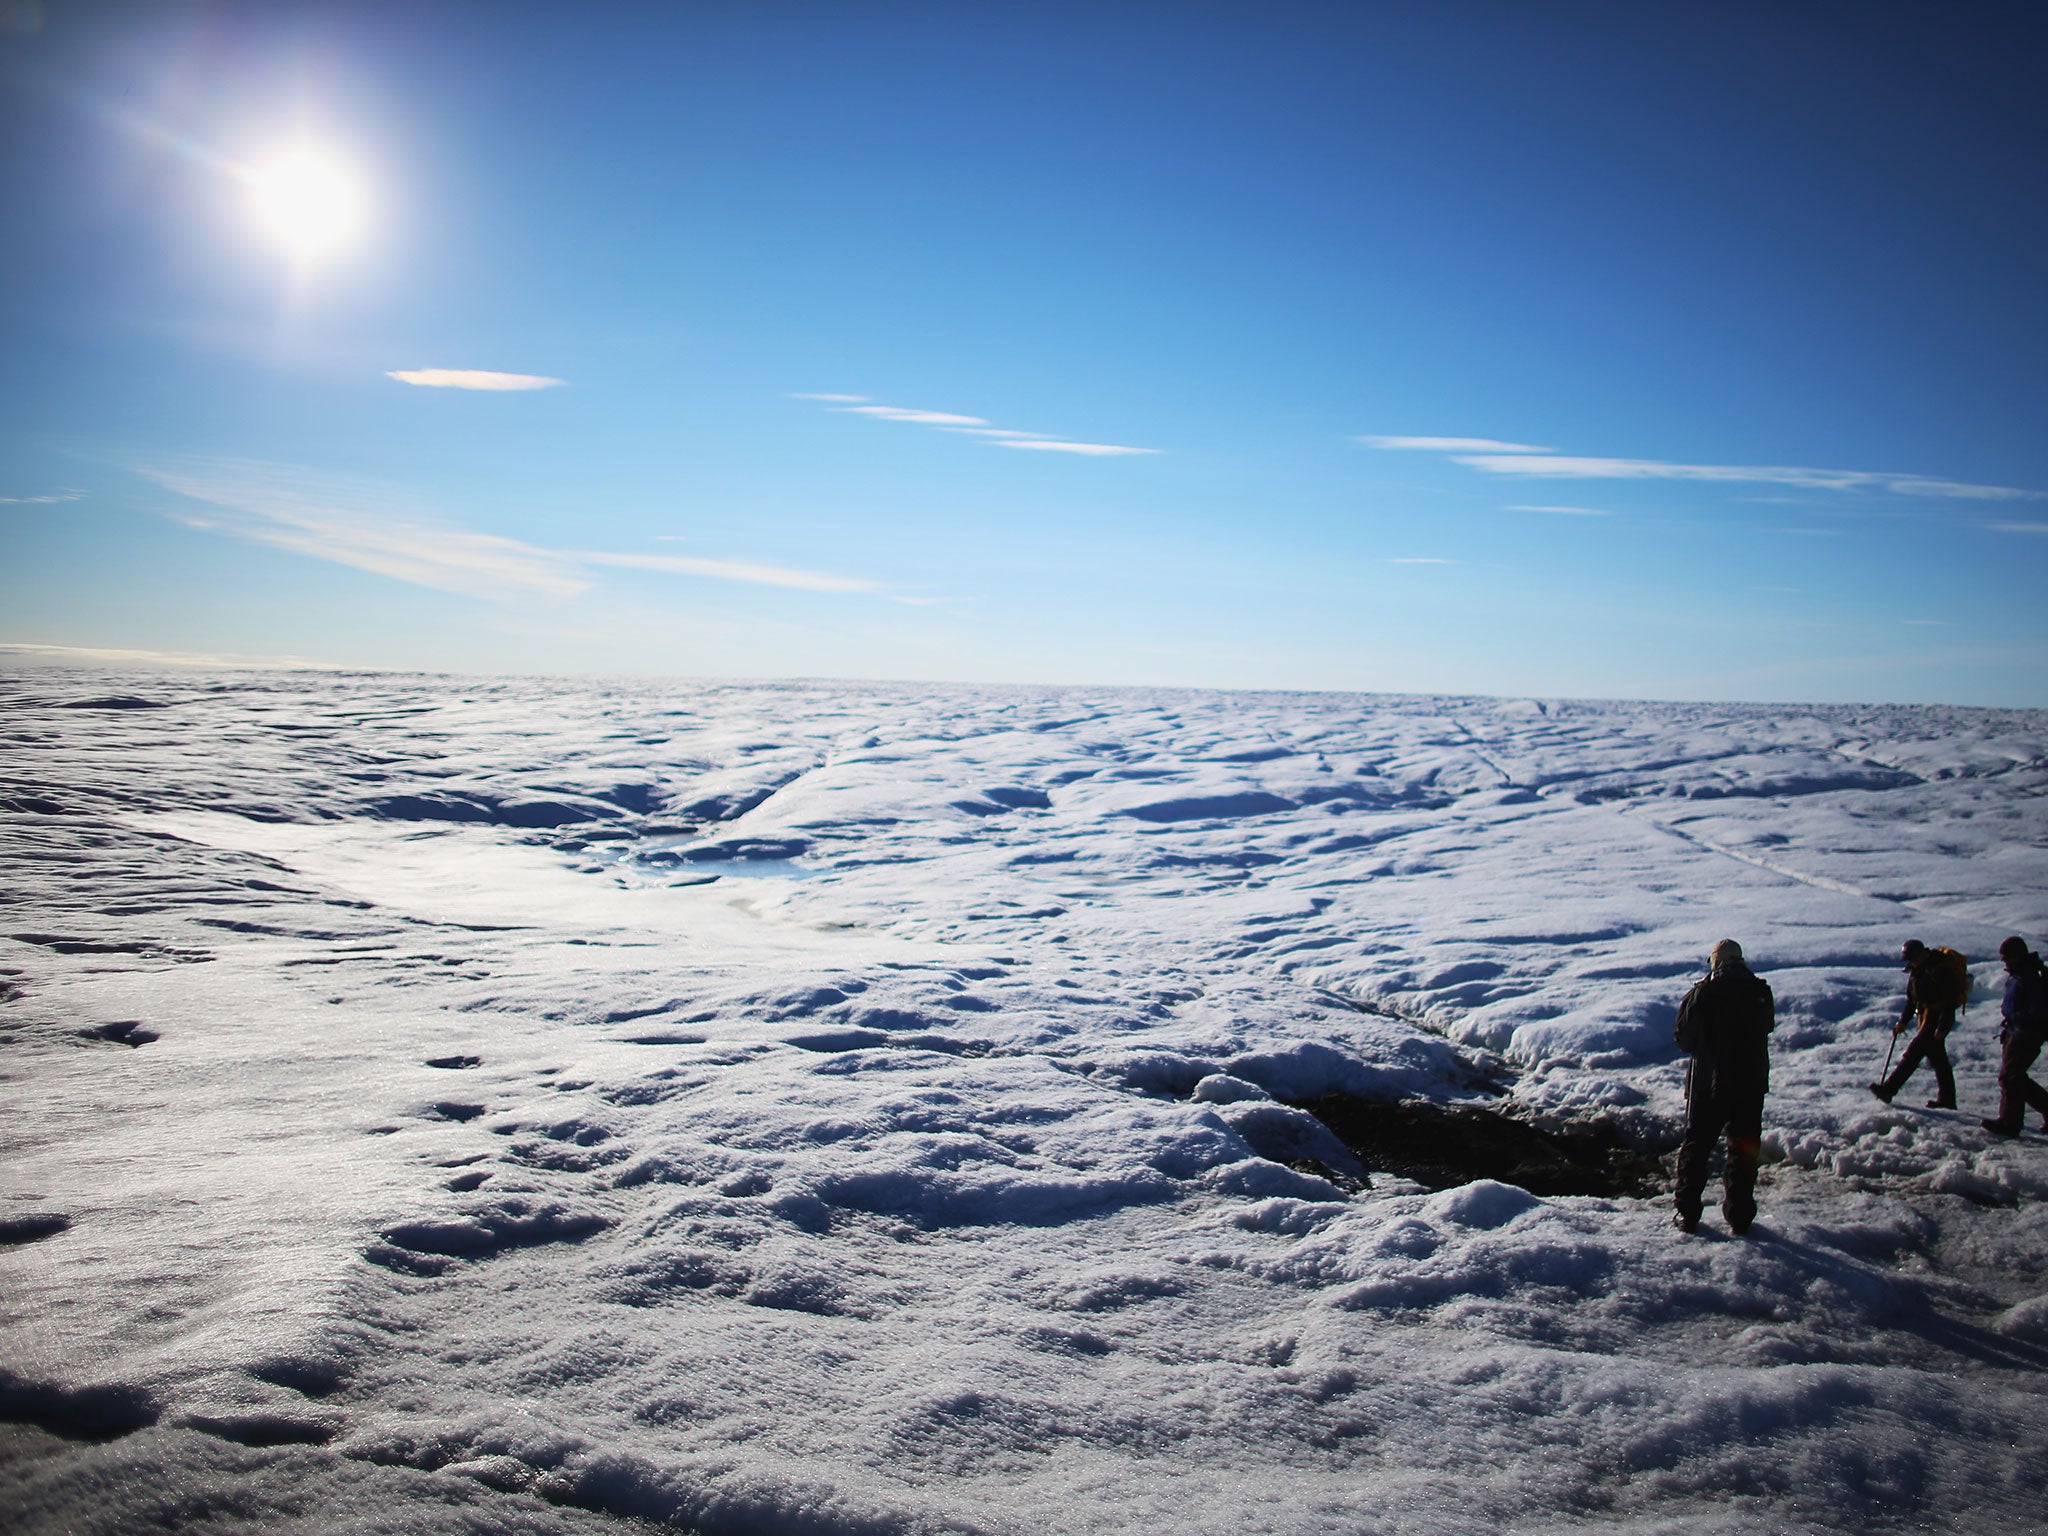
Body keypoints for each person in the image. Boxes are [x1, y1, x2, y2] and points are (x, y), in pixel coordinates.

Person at [1673, 938, 1774, 1236]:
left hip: (1709, 1084)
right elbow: (1767, 1025)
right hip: (1751, 1084)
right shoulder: (1760, 991)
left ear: (1715, 961)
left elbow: (1684, 1039)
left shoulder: (1703, 993)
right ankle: (1740, 1217)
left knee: (1697, 1149)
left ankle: (1687, 1213)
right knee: (1743, 1150)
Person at [1870, 939, 1966, 1109]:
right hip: (1926, 1017)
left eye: (1912, 958)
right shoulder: (1917, 970)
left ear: (1922, 954)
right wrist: (1903, 1022)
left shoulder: (1938, 968)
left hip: (1937, 1017)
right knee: (1939, 1060)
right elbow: (1912, 1000)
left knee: (1914, 1052)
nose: (1911, 962)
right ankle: (1948, 1100)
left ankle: (1889, 1089)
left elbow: (1949, 1000)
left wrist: (1943, 1026)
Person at [1982, 936, 2048, 1138]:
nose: (2004, 962)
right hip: (2016, 1032)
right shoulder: (2020, 974)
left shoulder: (2029, 977)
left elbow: (2039, 1010)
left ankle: (2010, 1123)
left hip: (2026, 1034)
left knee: (2010, 1076)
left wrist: (2016, 1018)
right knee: (2014, 1076)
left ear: (2017, 956)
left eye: (2007, 957)